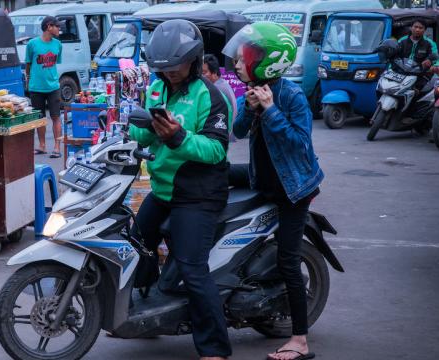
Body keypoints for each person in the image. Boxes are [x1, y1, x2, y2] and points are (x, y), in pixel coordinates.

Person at [129, 20, 232, 360]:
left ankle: (214, 347)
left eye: (175, 68)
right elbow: (144, 139)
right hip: (163, 189)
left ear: (194, 60)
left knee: (192, 267)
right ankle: (147, 313)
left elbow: (216, 150)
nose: (169, 74)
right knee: (135, 245)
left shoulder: (210, 96)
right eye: (163, 69)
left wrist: (177, 137)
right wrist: (143, 125)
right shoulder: (157, 88)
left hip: (198, 194)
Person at [222, 22, 323, 360]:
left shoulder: (291, 96)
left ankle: (300, 340)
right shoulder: (252, 92)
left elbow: (299, 146)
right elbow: (235, 132)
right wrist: (250, 108)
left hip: (293, 188)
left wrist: (271, 110)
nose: (237, 64)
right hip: (261, 178)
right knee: (209, 173)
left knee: (289, 261)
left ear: (267, 61)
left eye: (243, 58)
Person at [25, 15, 62, 158]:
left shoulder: (58, 44)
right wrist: (28, 80)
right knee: (40, 117)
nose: (59, 29)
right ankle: (42, 146)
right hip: (36, 87)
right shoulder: (32, 44)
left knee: (56, 116)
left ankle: (57, 147)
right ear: (49, 27)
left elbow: (55, 63)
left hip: (53, 86)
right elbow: (28, 64)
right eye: (57, 26)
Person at [202, 54, 237, 122]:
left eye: (204, 73)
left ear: (214, 73)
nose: (201, 76)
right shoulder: (221, 83)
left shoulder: (217, 89)